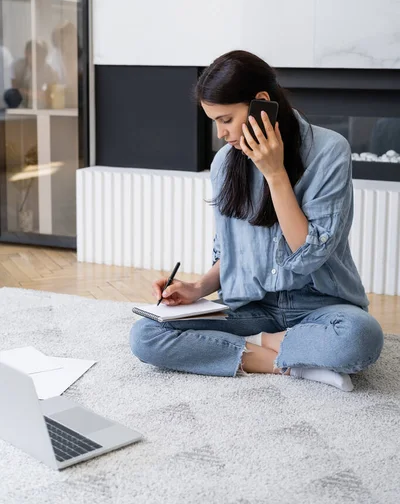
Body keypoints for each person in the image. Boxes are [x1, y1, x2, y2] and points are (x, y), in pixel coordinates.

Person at [130, 50, 384, 391]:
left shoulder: (330, 151)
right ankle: (283, 360)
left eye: (225, 119)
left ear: (260, 103)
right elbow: (231, 252)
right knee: (146, 334)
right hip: (253, 306)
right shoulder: (225, 162)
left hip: (322, 306)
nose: (220, 134)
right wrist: (196, 289)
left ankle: (263, 343)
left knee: (360, 338)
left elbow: (307, 255)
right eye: (214, 122)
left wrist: (274, 173)